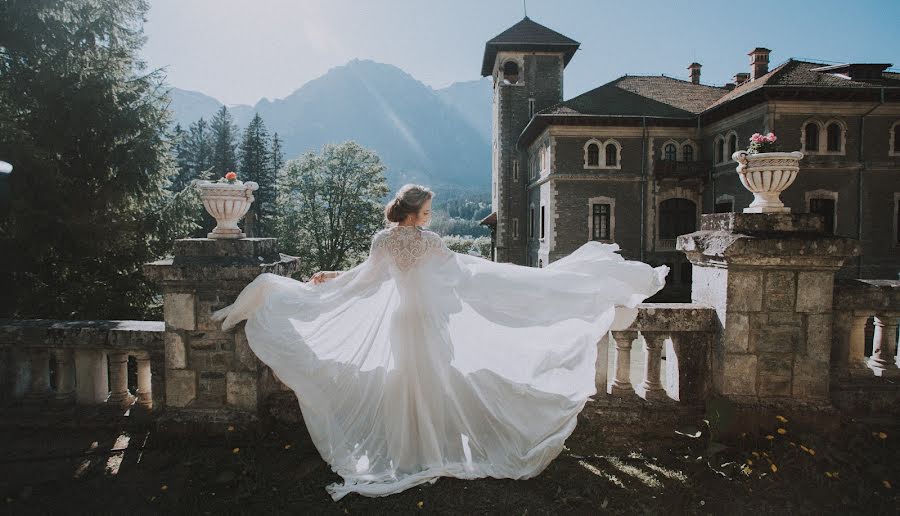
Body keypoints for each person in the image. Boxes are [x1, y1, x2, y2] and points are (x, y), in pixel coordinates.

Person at [212, 183, 668, 501]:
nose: (429, 216)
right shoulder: (429, 242)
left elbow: (362, 282)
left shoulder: (383, 242)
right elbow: (463, 273)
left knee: (405, 382)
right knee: (433, 380)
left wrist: (328, 280)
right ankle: (435, 448)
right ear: (414, 214)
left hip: (401, 320)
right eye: (426, 210)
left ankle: (410, 451)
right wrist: (529, 285)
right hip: (429, 321)